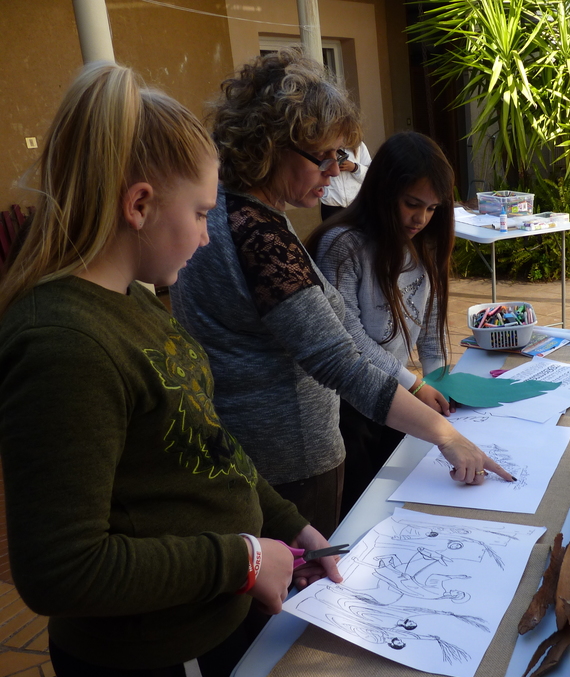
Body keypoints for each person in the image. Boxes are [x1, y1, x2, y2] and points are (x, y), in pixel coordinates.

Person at [0, 62, 338, 677]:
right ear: (140, 205)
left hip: (211, 617)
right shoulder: (65, 344)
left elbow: (207, 445)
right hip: (160, 653)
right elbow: (61, 570)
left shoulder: (136, 305)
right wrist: (242, 559)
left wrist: (289, 525)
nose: (209, 235)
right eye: (202, 214)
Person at [171, 50, 511, 540]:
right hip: (287, 463)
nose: (335, 171)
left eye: (341, 156)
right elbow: (337, 358)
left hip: (257, 455)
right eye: (324, 156)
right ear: (272, 146)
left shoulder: (232, 212)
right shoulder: (258, 235)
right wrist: (446, 436)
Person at [307, 131, 455, 519]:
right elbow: (349, 338)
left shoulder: (426, 242)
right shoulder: (342, 245)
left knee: (402, 497)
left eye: (432, 208)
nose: (421, 218)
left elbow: (431, 328)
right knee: (360, 508)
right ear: (383, 191)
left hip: (397, 396)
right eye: (412, 204)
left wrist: (441, 383)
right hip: (348, 405)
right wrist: (415, 385)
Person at [320, 140, 371, 221]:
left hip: (354, 204)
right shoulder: (325, 144)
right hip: (331, 203)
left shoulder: (359, 145)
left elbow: (370, 176)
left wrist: (355, 168)